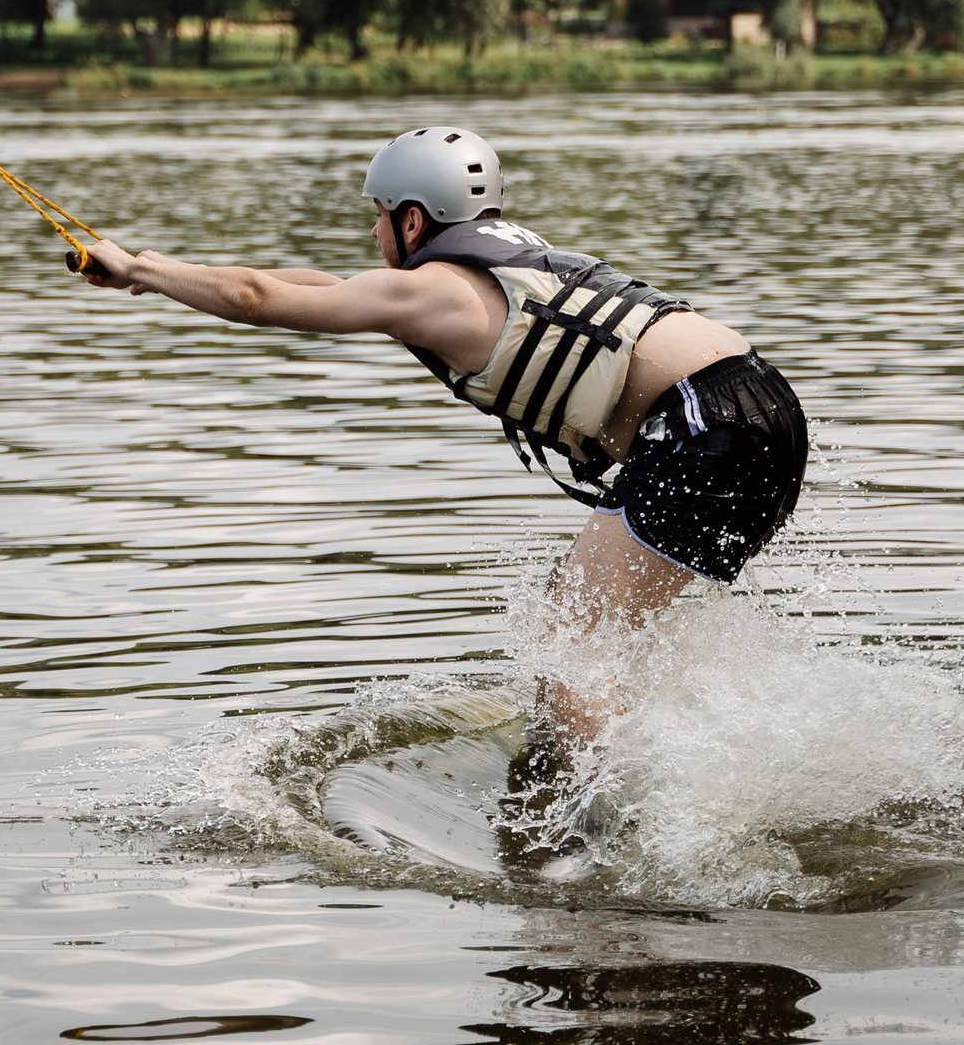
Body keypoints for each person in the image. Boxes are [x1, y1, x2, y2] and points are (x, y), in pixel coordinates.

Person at [71, 124, 807, 754]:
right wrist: (167, 275)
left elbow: (260, 300)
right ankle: (679, 783)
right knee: (605, 639)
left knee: (567, 637)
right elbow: (315, 286)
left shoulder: (437, 292)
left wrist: (141, 265)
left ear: (414, 221)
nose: (373, 232)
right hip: (762, 411)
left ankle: (600, 821)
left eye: (380, 215)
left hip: (703, 430)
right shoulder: (494, 268)